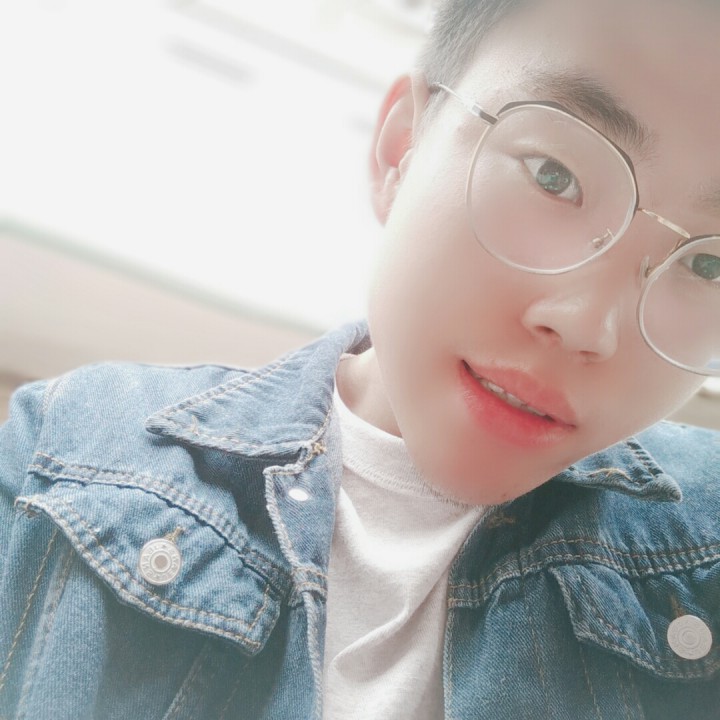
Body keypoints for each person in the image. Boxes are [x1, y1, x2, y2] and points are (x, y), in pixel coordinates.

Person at [1, 0, 719, 717]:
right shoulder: (61, 452)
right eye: (554, 175)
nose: (588, 326)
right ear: (402, 149)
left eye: (709, 265)